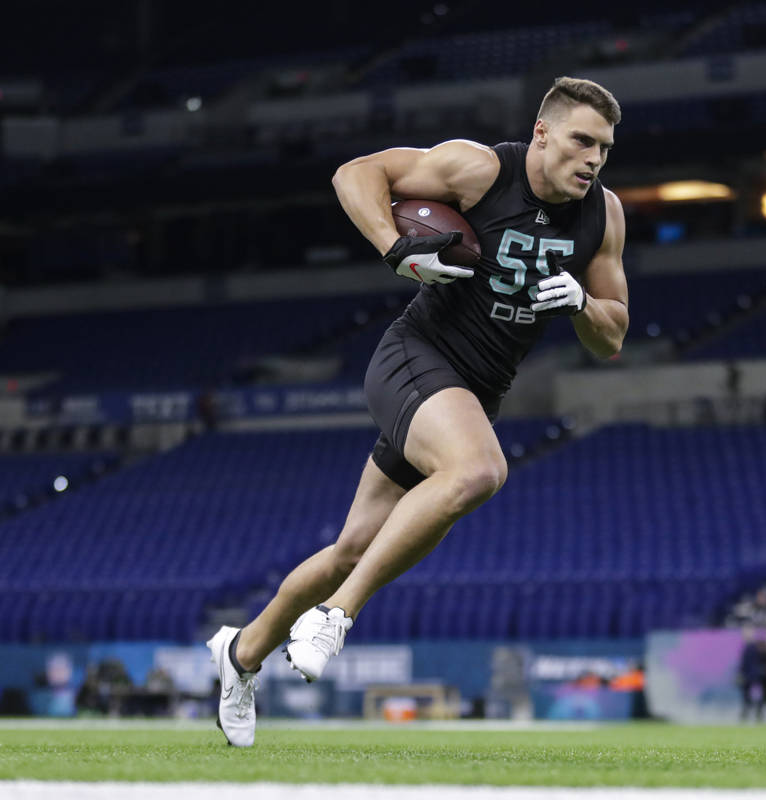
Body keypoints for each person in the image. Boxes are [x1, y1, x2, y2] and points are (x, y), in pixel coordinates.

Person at [206, 76, 628, 746]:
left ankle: (241, 655)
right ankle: (335, 618)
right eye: (582, 141)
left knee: (352, 549)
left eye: (604, 148)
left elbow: (614, 333)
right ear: (544, 134)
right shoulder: (481, 169)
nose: (594, 159)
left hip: (476, 390)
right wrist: (392, 245)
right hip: (416, 356)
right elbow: (357, 173)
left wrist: (581, 301)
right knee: (480, 470)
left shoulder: (604, 215)